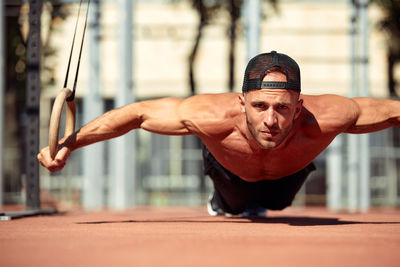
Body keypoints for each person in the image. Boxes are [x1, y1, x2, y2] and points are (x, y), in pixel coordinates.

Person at [38, 51, 400, 217]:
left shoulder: (330, 115)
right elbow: (137, 114)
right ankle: (222, 201)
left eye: (283, 108)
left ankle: (260, 200)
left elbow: (394, 112)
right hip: (230, 170)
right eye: (260, 107)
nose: (271, 119)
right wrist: (68, 146)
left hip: (288, 175)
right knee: (237, 204)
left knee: (276, 205)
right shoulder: (210, 114)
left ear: (300, 106)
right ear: (242, 101)